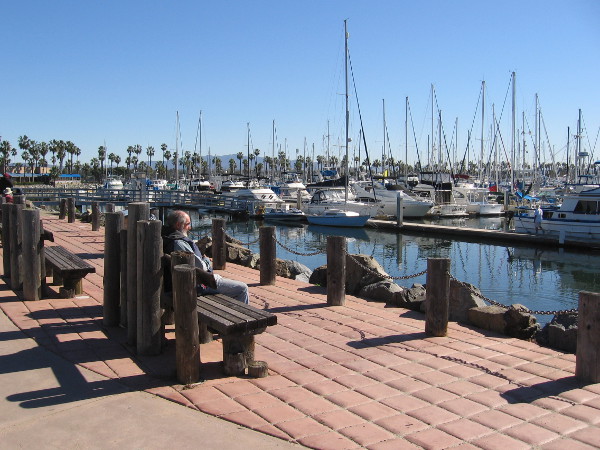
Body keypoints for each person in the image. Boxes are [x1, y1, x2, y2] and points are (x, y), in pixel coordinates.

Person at [163, 210, 249, 304]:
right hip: (197, 284)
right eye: (188, 224)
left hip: (183, 282)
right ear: (178, 225)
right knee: (242, 288)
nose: (190, 227)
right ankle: (241, 317)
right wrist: (207, 261)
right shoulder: (178, 243)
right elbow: (200, 267)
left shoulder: (166, 237)